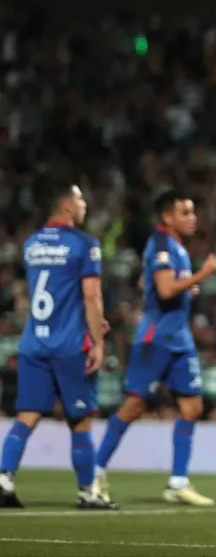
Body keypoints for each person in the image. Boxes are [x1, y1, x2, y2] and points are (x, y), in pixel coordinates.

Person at [94, 190, 216, 506]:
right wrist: (200, 275)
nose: (193, 218)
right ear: (167, 216)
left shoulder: (174, 247)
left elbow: (151, 285)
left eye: (193, 212)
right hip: (156, 338)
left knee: (192, 408)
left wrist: (186, 286)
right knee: (135, 405)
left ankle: (178, 483)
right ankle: (93, 471)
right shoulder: (161, 243)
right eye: (186, 212)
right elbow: (163, 289)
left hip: (180, 339)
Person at [0, 184, 118, 510]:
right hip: (69, 346)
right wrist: (97, 339)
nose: (85, 206)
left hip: (34, 342)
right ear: (67, 206)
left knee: (27, 415)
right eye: (81, 200)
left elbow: (52, 291)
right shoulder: (84, 245)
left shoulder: (32, 243)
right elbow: (91, 296)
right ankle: (86, 493)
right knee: (79, 419)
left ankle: (3, 477)